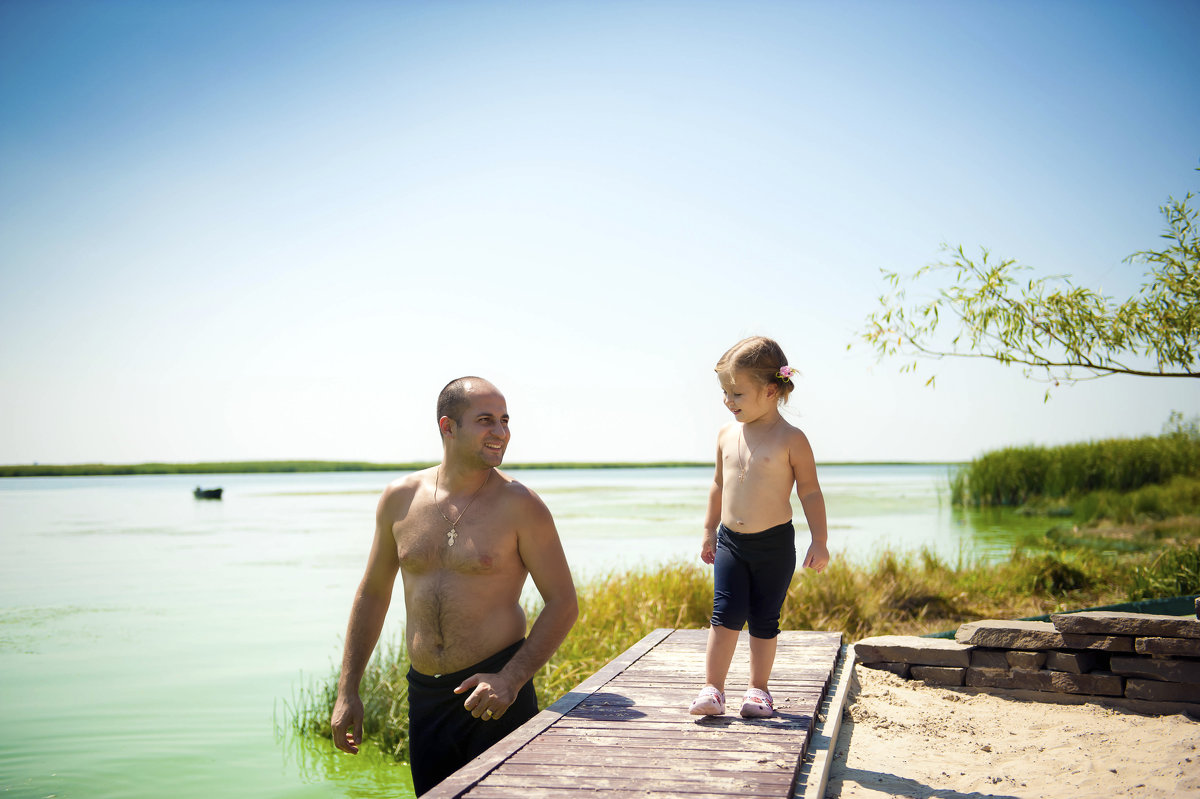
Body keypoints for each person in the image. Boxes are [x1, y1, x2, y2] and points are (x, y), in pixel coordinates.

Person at [331, 377, 578, 795]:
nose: (501, 432)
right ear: (448, 427)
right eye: (486, 420)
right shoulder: (400, 498)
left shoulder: (521, 505)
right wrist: (347, 689)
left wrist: (512, 679)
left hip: (496, 696)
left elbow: (563, 602)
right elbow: (373, 593)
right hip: (425, 696)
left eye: (504, 420)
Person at [690, 336, 829, 718]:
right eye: (724, 391)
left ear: (771, 391)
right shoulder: (725, 434)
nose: (727, 400)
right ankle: (713, 689)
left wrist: (820, 539)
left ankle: (758, 691)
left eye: (736, 392)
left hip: (774, 545)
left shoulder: (792, 439)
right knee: (724, 615)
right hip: (731, 542)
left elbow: (811, 493)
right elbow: (719, 484)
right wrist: (708, 530)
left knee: (765, 619)